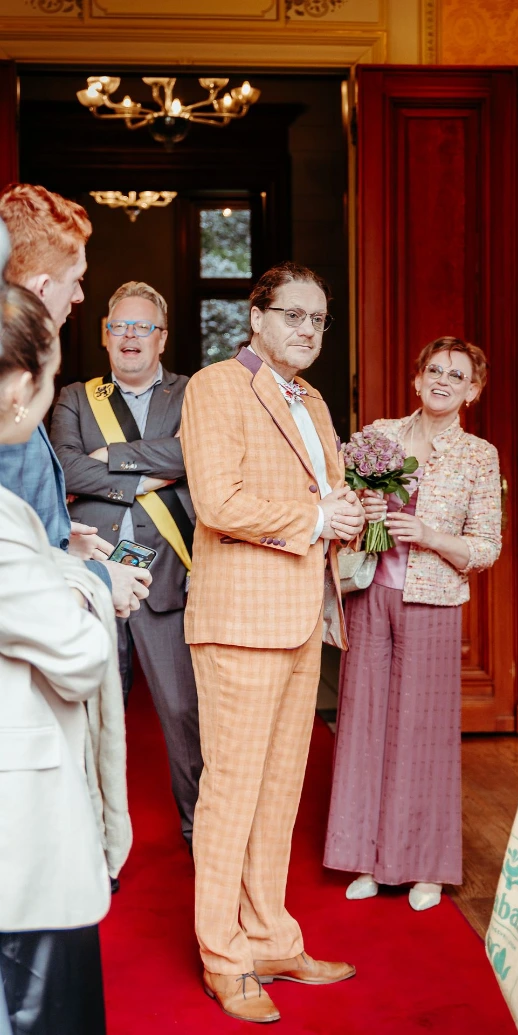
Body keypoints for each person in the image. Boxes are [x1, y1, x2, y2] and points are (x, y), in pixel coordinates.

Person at [181, 261, 365, 1024]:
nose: (307, 330)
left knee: (280, 789)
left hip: (300, 614)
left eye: (319, 320)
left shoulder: (314, 397)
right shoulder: (216, 386)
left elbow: (321, 495)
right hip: (239, 619)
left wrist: (345, 510)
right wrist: (320, 519)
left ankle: (272, 935)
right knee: (230, 793)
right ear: (254, 317)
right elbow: (219, 499)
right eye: (293, 315)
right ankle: (224, 955)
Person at [324, 336, 502, 912]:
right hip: (370, 592)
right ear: (417, 380)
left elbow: (486, 547)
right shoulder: (379, 435)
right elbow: (342, 514)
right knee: (364, 723)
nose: (443, 380)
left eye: (457, 375)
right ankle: (368, 860)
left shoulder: (479, 454)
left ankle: (424, 866)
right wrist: (363, 512)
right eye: (434, 370)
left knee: (423, 735)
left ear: (472, 391)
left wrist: (429, 536)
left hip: (434, 600)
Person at [0, 276, 115, 1035]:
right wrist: (80, 584)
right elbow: (79, 655)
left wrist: (58, 570)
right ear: (17, 386)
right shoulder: (4, 519)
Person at [51, 280, 202, 849]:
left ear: (162, 338)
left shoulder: (193, 392)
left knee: (185, 718)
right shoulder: (73, 396)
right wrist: (158, 472)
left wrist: (110, 460)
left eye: (143, 327)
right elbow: (65, 469)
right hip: (94, 576)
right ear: (103, 336)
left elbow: (199, 455)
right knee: (92, 720)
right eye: (119, 326)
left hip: (170, 577)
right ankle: (93, 840)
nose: (130, 336)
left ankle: (198, 835)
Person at [0, 183, 151, 620]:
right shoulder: (13, 393)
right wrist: (102, 581)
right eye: (76, 280)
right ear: (44, 287)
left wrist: (62, 541)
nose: (81, 296)